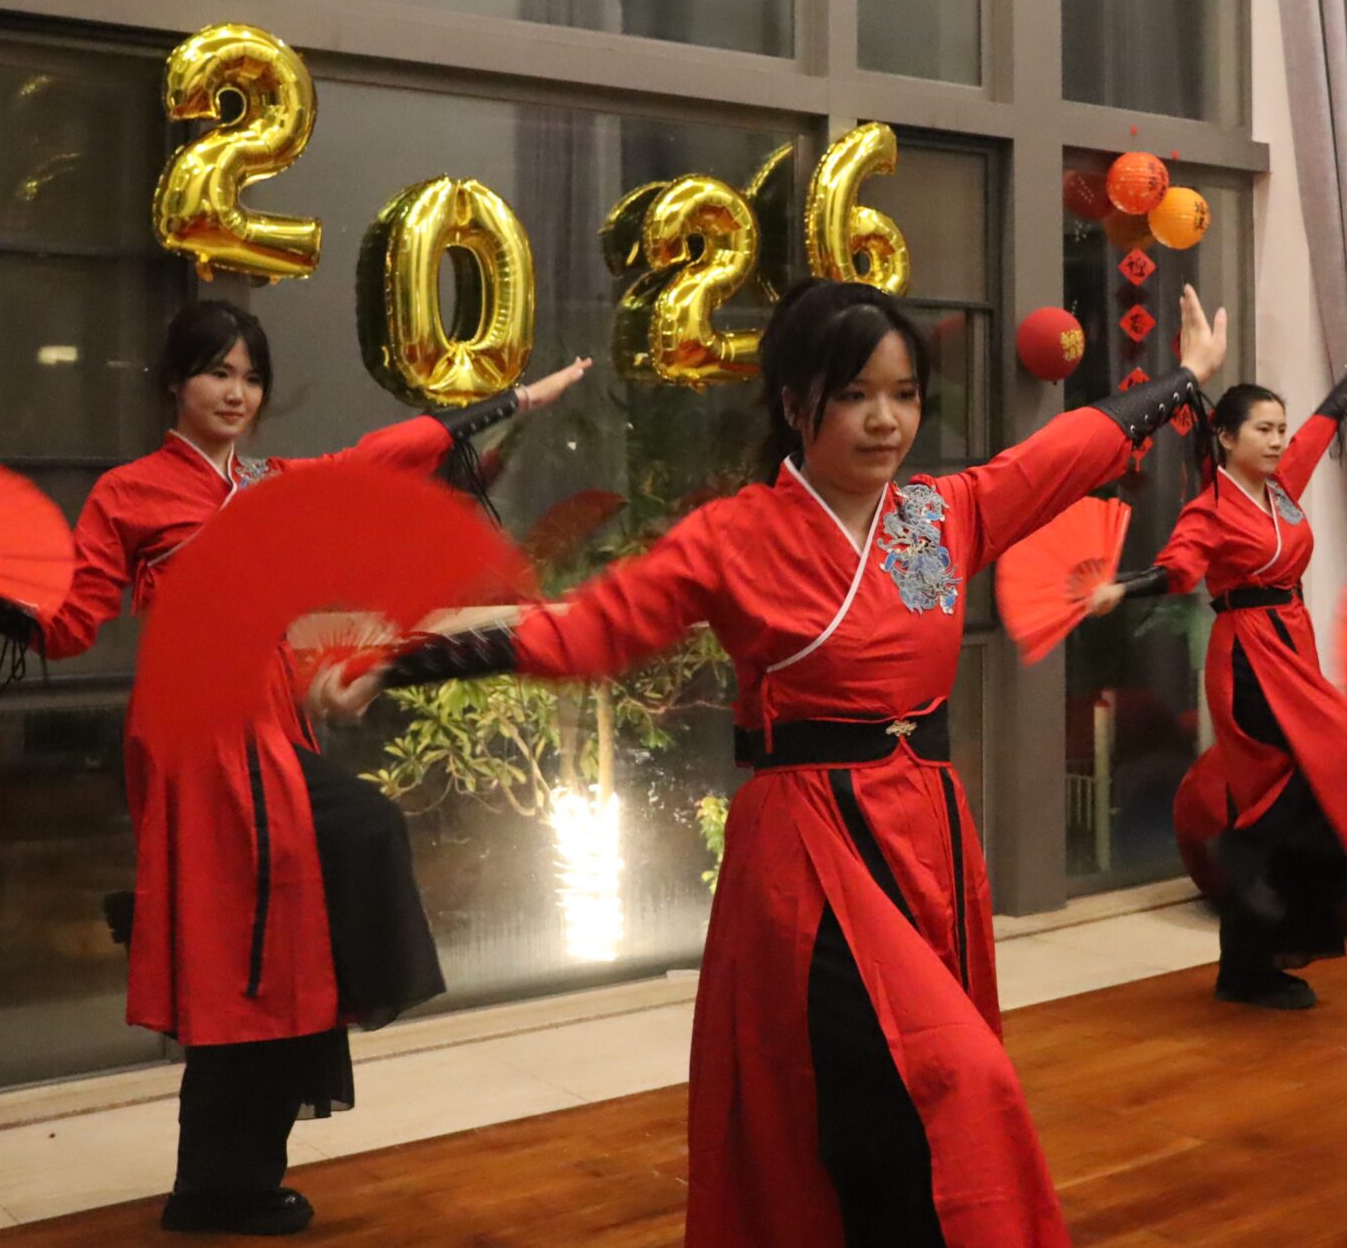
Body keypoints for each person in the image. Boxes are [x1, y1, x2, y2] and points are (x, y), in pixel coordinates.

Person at [323, 279, 1227, 1248]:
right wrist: (406, 661)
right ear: (797, 403)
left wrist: (1183, 379)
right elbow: (591, 630)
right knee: (941, 1078)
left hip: (923, 832)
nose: (886, 422)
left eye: (904, 394)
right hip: (809, 853)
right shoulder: (735, 537)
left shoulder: (937, 514)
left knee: (886, 1103)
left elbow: (1062, 454)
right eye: (854, 396)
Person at [0, 299, 589, 1238]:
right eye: (217, 372)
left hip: (273, 721)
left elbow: (377, 457)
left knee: (280, 937)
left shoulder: (271, 482)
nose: (236, 392)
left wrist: (510, 400)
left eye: (250, 377)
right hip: (198, 732)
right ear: (175, 382)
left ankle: (231, 1176)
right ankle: (222, 1174)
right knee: (246, 948)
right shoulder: (129, 493)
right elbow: (66, 622)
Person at [1082, 322, 1347, 1011]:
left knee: (1296, 786)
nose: (1276, 439)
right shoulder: (1211, 507)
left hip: (1293, 646)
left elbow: (1322, 432)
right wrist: (1124, 586)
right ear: (1226, 438)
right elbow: (1178, 568)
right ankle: (1243, 867)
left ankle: (1251, 962)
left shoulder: (1282, 490)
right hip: (1248, 658)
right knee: (1315, 766)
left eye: (1279, 428)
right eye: (1262, 428)